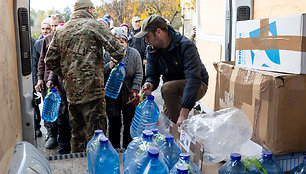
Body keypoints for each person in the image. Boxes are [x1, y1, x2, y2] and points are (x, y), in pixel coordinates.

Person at [45, 0, 126, 153]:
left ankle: (78, 165)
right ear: (89, 9)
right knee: (97, 136)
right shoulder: (95, 25)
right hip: (93, 92)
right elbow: (118, 51)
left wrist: (68, 74)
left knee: (77, 135)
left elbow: (49, 60)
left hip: (72, 93)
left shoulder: (61, 30)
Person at [136, 15, 209, 126]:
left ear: (158, 32)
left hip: (197, 84)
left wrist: (184, 113)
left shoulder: (186, 46)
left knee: (176, 118)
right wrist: (149, 83)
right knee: (166, 122)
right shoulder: (151, 50)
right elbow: (152, 74)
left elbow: (193, 79)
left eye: (148, 36)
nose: (146, 41)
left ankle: (180, 131)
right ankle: (176, 132)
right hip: (172, 89)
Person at [104, 27, 143, 149]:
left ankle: (128, 148)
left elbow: (138, 73)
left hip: (129, 92)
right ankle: (114, 148)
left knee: (129, 121)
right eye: (117, 41)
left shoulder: (134, 54)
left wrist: (135, 90)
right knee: (114, 120)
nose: (120, 44)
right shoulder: (107, 54)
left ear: (126, 41)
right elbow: (100, 73)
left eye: (122, 41)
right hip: (112, 92)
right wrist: (108, 66)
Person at [36, 14, 67, 150]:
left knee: (62, 111)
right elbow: (42, 61)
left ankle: (63, 138)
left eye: (56, 25)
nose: (54, 28)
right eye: (52, 25)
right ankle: (51, 135)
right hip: (48, 79)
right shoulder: (47, 39)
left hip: (61, 80)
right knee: (49, 109)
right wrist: (40, 79)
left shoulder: (66, 38)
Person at [31, 17, 52, 137]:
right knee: (47, 107)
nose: (45, 31)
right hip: (44, 81)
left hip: (56, 81)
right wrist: (37, 81)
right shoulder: (38, 44)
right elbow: (35, 64)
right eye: (43, 29)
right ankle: (49, 132)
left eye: (48, 28)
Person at [129, 16, 147, 84]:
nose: (138, 23)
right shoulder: (129, 32)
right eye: (136, 22)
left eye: (139, 22)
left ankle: (143, 92)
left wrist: (145, 58)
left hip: (141, 57)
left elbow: (146, 46)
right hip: (131, 58)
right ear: (132, 23)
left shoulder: (143, 33)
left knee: (141, 76)